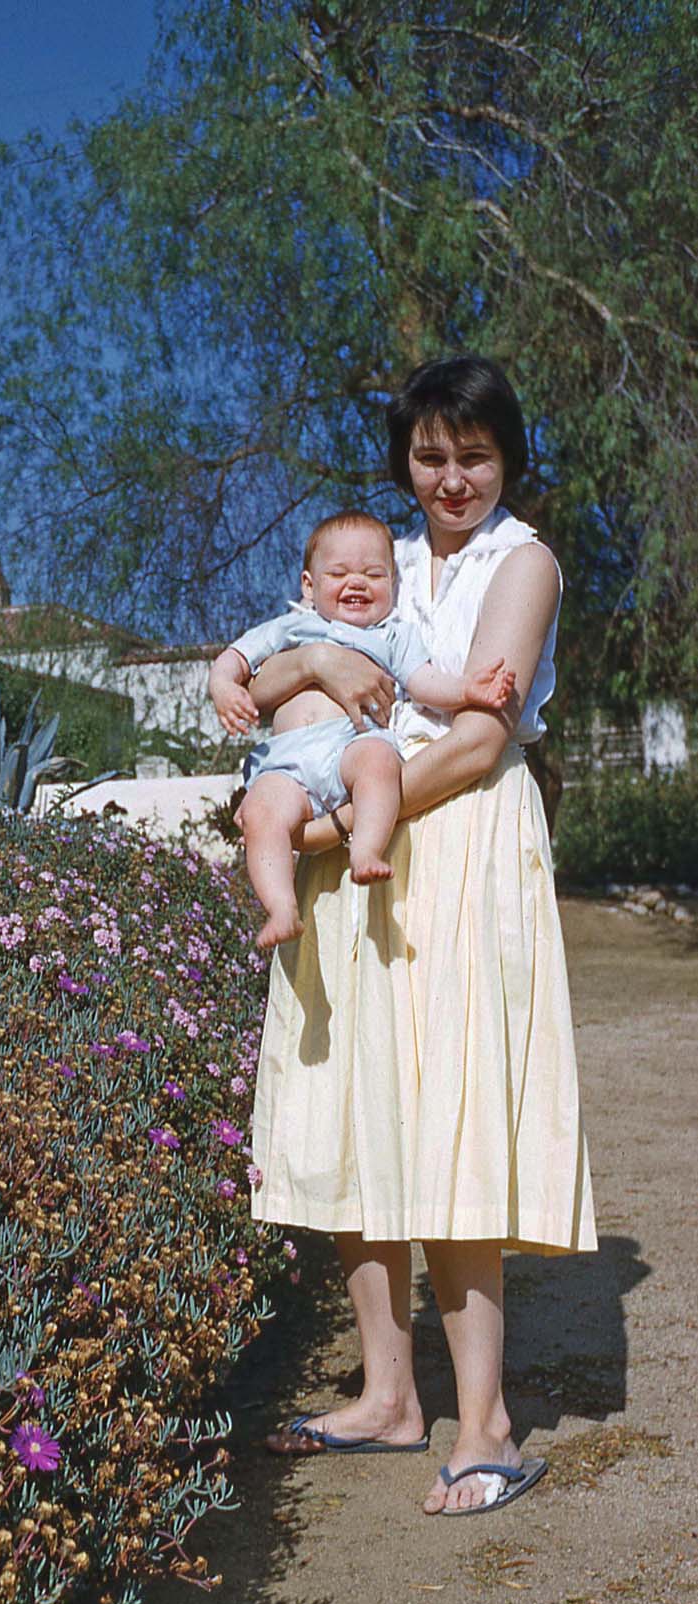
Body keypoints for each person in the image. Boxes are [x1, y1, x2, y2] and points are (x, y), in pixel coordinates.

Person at [243, 355, 597, 1515]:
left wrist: (334, 820)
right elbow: (287, 668)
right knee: (357, 1099)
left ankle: (483, 1422)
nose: (449, 479)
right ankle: (388, 1394)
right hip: (367, 838)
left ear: (507, 459)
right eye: (429, 455)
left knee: (451, 1111)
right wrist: (309, 662)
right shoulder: (379, 563)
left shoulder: (519, 561)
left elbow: (479, 739)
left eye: (472, 456)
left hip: (453, 830)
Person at [208, 510, 515, 949]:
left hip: (351, 743)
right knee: (261, 813)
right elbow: (235, 658)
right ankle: (281, 908)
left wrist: (468, 688)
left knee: (379, 763)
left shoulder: (395, 635)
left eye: (373, 574)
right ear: (309, 585)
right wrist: (222, 686)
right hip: (287, 762)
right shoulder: (292, 627)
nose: (356, 583)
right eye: (338, 574)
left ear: (393, 583)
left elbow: (424, 683)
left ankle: (366, 849)